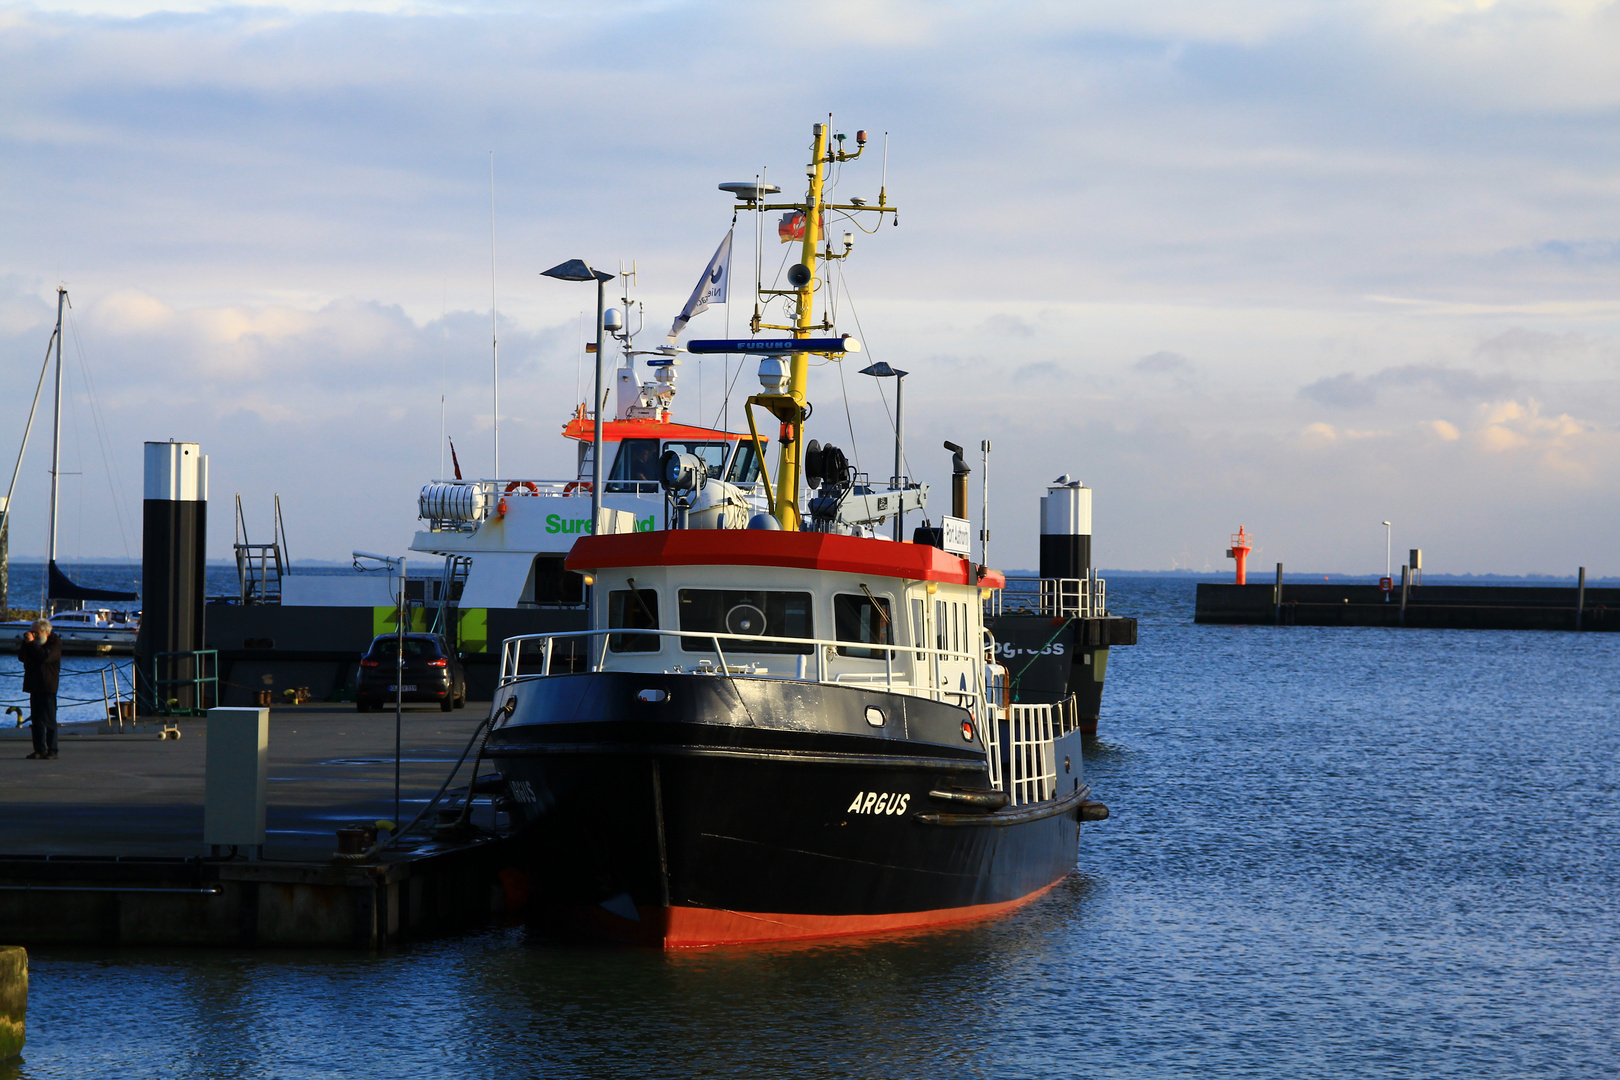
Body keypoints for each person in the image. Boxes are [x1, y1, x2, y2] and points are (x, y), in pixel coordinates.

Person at [20, 618, 62, 760]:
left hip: (48, 685)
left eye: (36, 633)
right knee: (37, 720)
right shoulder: (33, 645)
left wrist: (31, 644)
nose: (34, 635)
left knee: (50, 720)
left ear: (45, 632)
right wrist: (26, 644)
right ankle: (39, 749)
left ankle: (52, 749)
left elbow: (44, 657)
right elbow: (22, 657)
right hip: (34, 685)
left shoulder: (54, 643)